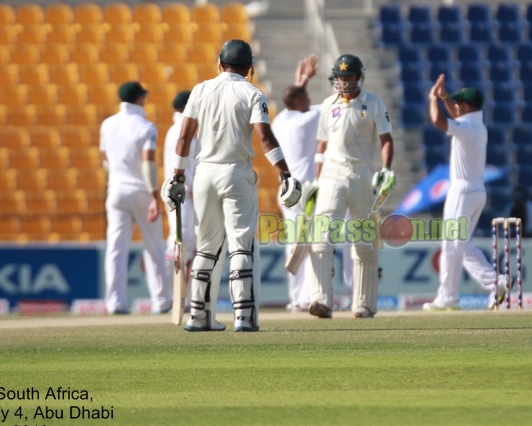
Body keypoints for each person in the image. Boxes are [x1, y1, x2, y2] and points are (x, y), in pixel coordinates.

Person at [162, 39, 301, 332]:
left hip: (203, 174)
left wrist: (177, 175)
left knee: (206, 247)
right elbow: (265, 138)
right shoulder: (252, 92)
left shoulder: (200, 89)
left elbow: (184, 139)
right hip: (236, 173)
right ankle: (244, 317)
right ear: (249, 67)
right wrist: (285, 173)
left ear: (219, 62)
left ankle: (198, 317)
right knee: (241, 246)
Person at [307, 54, 394, 319]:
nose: (344, 81)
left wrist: (386, 170)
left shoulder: (374, 102)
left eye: (349, 76)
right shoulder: (327, 105)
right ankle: (321, 300)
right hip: (332, 173)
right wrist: (317, 179)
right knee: (321, 234)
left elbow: (387, 139)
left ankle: (364, 304)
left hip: (363, 172)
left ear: (359, 77)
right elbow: (322, 145)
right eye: (340, 77)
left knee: (365, 241)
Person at [423, 76, 505, 311]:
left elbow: (439, 119)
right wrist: (446, 96)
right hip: (477, 190)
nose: (455, 106)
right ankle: (457, 293)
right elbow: (455, 115)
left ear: (467, 106)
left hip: (462, 191)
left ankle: (452, 295)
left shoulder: (467, 128)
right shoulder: (478, 126)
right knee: (460, 244)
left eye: (459, 103)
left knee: (451, 243)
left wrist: (433, 99)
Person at [99, 81, 171, 315]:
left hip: (116, 191)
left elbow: (105, 160)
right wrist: (154, 196)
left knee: (116, 249)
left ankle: (115, 302)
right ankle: (161, 301)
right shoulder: (146, 127)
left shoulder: (107, 125)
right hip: (141, 191)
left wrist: (117, 179)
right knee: (154, 248)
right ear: (140, 99)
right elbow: (148, 162)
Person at [163, 90, 225, 330]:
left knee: (185, 244)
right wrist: (189, 187)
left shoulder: (174, 130)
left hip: (182, 192)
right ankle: (177, 297)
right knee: (184, 243)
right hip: (184, 194)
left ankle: (181, 297)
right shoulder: (183, 131)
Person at [271, 55, 320, 312]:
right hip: (304, 191)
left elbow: (296, 97)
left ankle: (296, 297)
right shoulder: (306, 120)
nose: (311, 103)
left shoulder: (281, 120)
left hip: (286, 189)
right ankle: (306, 298)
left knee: (295, 241)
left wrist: (303, 80)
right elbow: (334, 105)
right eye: (307, 100)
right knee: (310, 243)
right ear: (300, 103)